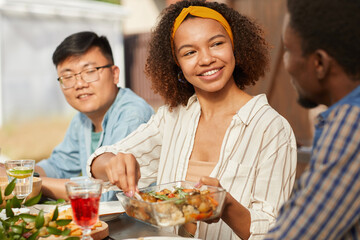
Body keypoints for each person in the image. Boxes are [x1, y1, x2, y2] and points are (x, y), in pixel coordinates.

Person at [87, 1, 297, 239]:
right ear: (177, 63)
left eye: (216, 44)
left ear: (234, 47)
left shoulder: (271, 128)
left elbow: (275, 232)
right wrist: (111, 163)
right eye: (189, 52)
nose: (206, 59)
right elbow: (97, 164)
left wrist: (225, 205)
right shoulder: (172, 118)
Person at [265, 0, 360, 239]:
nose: (285, 64)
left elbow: (294, 234)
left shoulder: (352, 122)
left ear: (319, 63)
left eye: (287, 50)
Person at [34, 31, 154, 201]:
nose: (80, 84)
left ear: (114, 74)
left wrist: (29, 182)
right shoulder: (82, 120)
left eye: (90, 71)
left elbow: (106, 195)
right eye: (67, 76)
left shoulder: (132, 115)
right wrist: (16, 173)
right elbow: (59, 165)